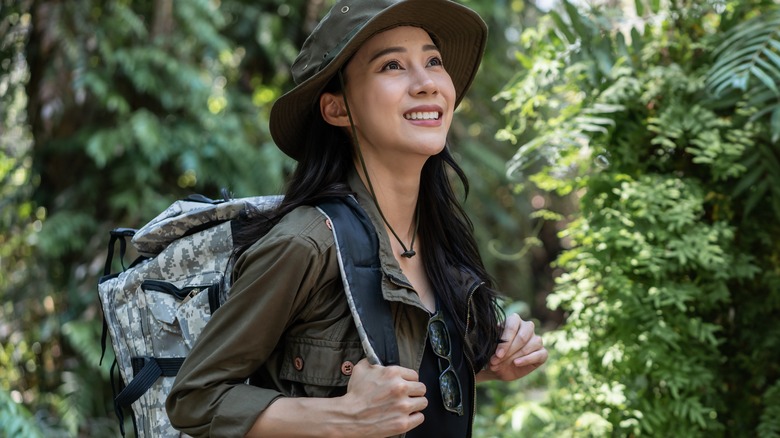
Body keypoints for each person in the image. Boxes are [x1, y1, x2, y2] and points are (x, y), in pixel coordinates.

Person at [165, 0, 548, 436]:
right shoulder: (307, 244)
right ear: (337, 109)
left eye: (433, 60)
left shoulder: (438, 236)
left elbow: (404, 382)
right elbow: (194, 397)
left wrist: (492, 362)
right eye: (392, 66)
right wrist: (344, 417)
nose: (426, 83)